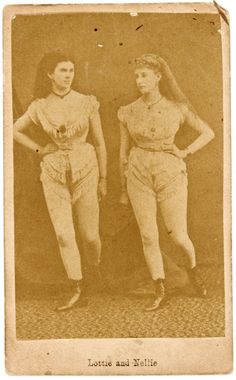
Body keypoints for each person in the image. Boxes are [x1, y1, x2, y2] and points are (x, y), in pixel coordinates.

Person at [118, 54, 215, 311]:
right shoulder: (127, 111)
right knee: (148, 235)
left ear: (159, 77)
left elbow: (208, 132)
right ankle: (159, 287)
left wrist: (185, 152)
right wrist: (122, 186)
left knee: (178, 235)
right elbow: (123, 152)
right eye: (137, 76)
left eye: (145, 75)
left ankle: (193, 274)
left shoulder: (177, 108)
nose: (139, 80)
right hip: (138, 172)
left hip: (169, 171)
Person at [13, 51, 107, 311]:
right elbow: (13, 130)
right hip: (53, 172)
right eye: (63, 70)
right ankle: (76, 287)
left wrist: (103, 178)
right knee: (65, 236)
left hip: (86, 168)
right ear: (49, 74)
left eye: (71, 70)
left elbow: (99, 142)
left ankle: (94, 270)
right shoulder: (39, 106)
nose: (68, 75)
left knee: (89, 236)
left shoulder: (87, 102)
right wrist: (40, 150)